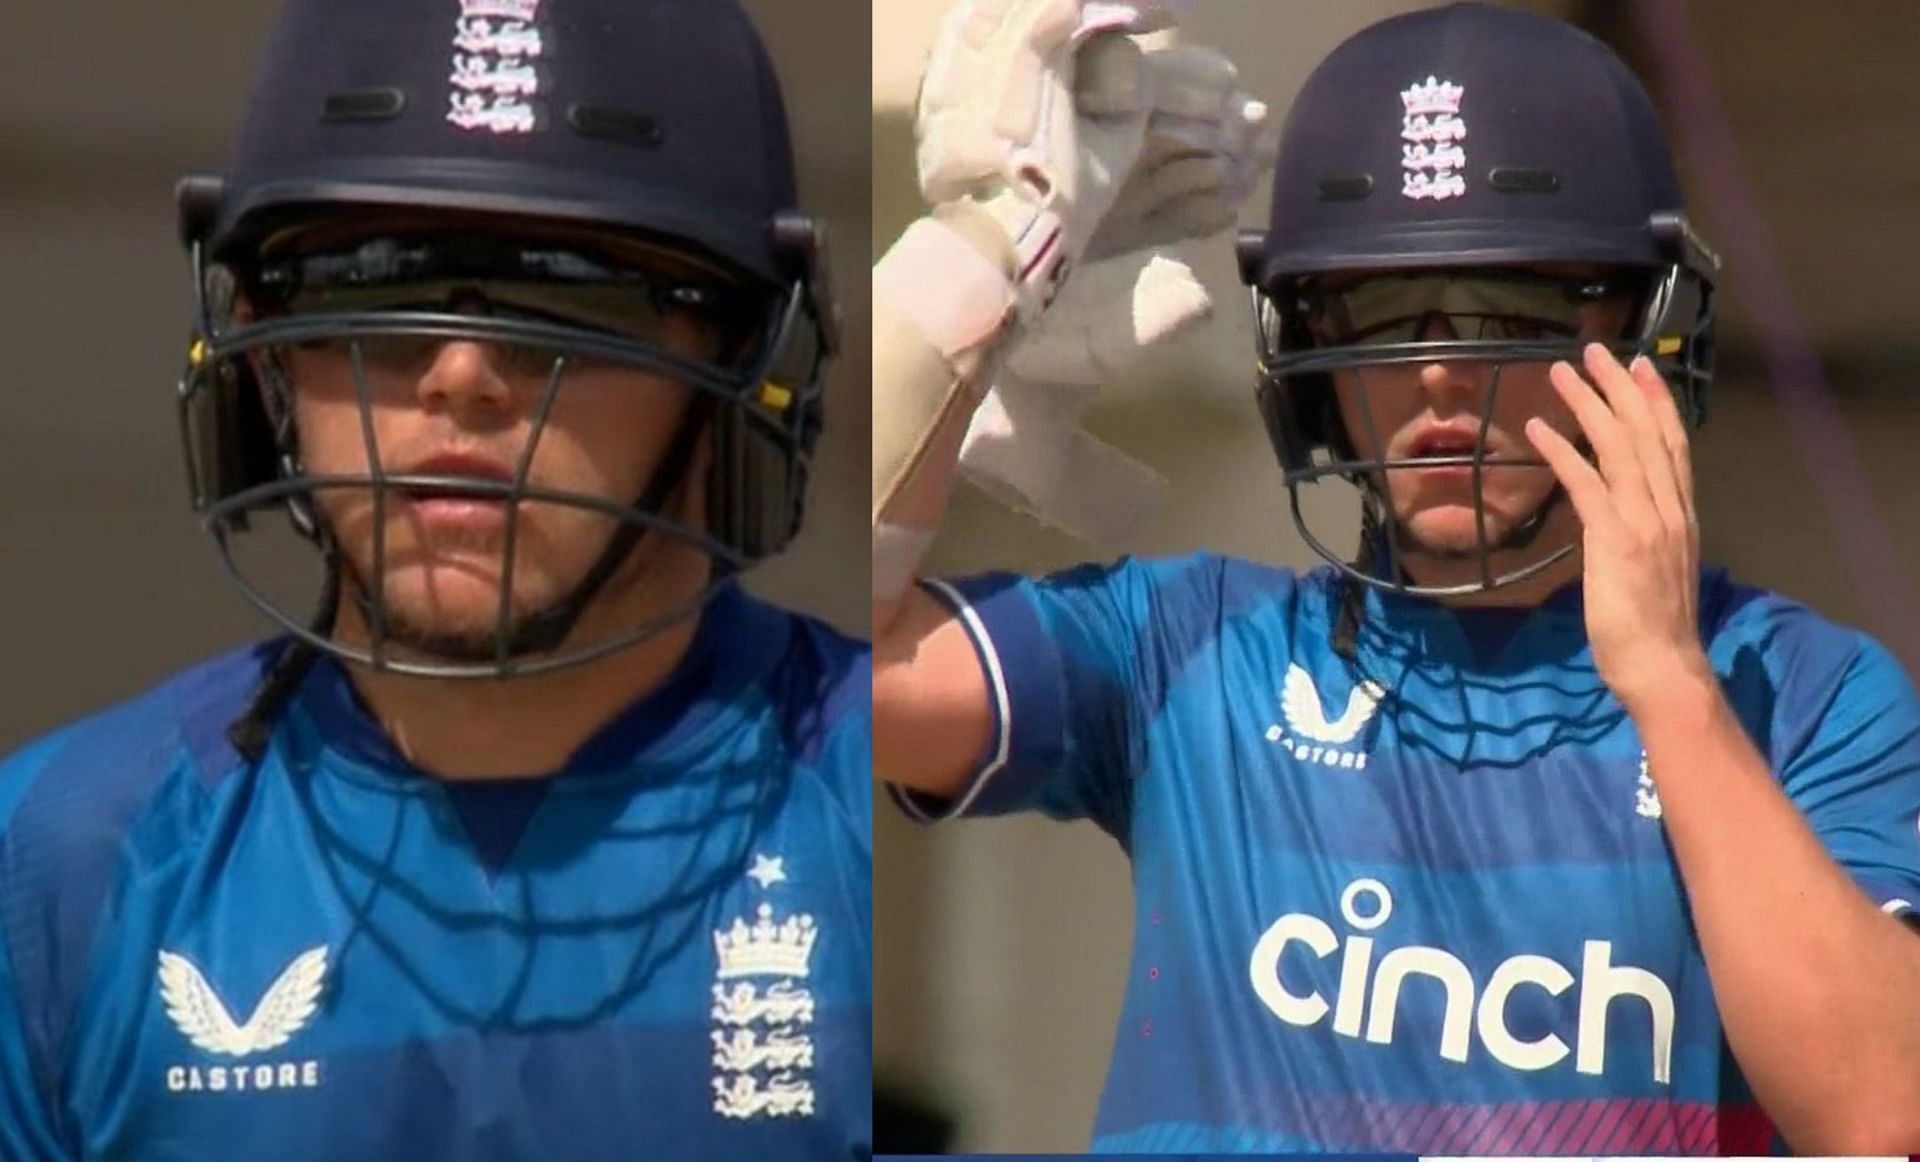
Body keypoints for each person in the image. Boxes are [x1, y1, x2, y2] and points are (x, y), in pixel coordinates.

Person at [871, 1, 1920, 1153]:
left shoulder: (1802, 692)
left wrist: (1670, 685)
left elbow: (1880, 1111)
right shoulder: (1190, 651)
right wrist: (968, 284)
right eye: (1374, 312)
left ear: (1650, 331)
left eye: (1505, 310)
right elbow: (811, 666)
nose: (1433, 375)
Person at [0, 0, 870, 1158]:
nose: (461, 376)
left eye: (571, 287)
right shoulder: (65, 861)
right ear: (258, 341)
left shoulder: (883, 790)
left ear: (751, 358)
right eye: (373, 277)